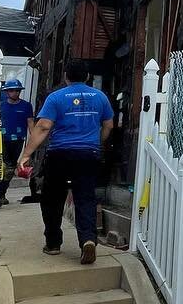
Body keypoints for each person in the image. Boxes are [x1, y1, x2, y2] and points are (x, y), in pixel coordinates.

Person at [16, 60, 114, 264]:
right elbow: (108, 125)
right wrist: (96, 143)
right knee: (85, 198)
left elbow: (43, 127)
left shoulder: (56, 97)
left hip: (60, 154)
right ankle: (87, 239)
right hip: (88, 154)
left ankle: (53, 243)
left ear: (66, 76)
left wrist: (26, 154)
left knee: (52, 198)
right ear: (87, 77)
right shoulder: (100, 97)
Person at [0, 78, 34, 209]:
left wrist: (32, 144)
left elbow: (30, 124)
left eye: (17, 90)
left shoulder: (26, 106)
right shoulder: (1, 106)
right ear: (7, 92)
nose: (15, 93)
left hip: (18, 140)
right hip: (1, 139)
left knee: (10, 169)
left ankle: (2, 194)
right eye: (12, 90)